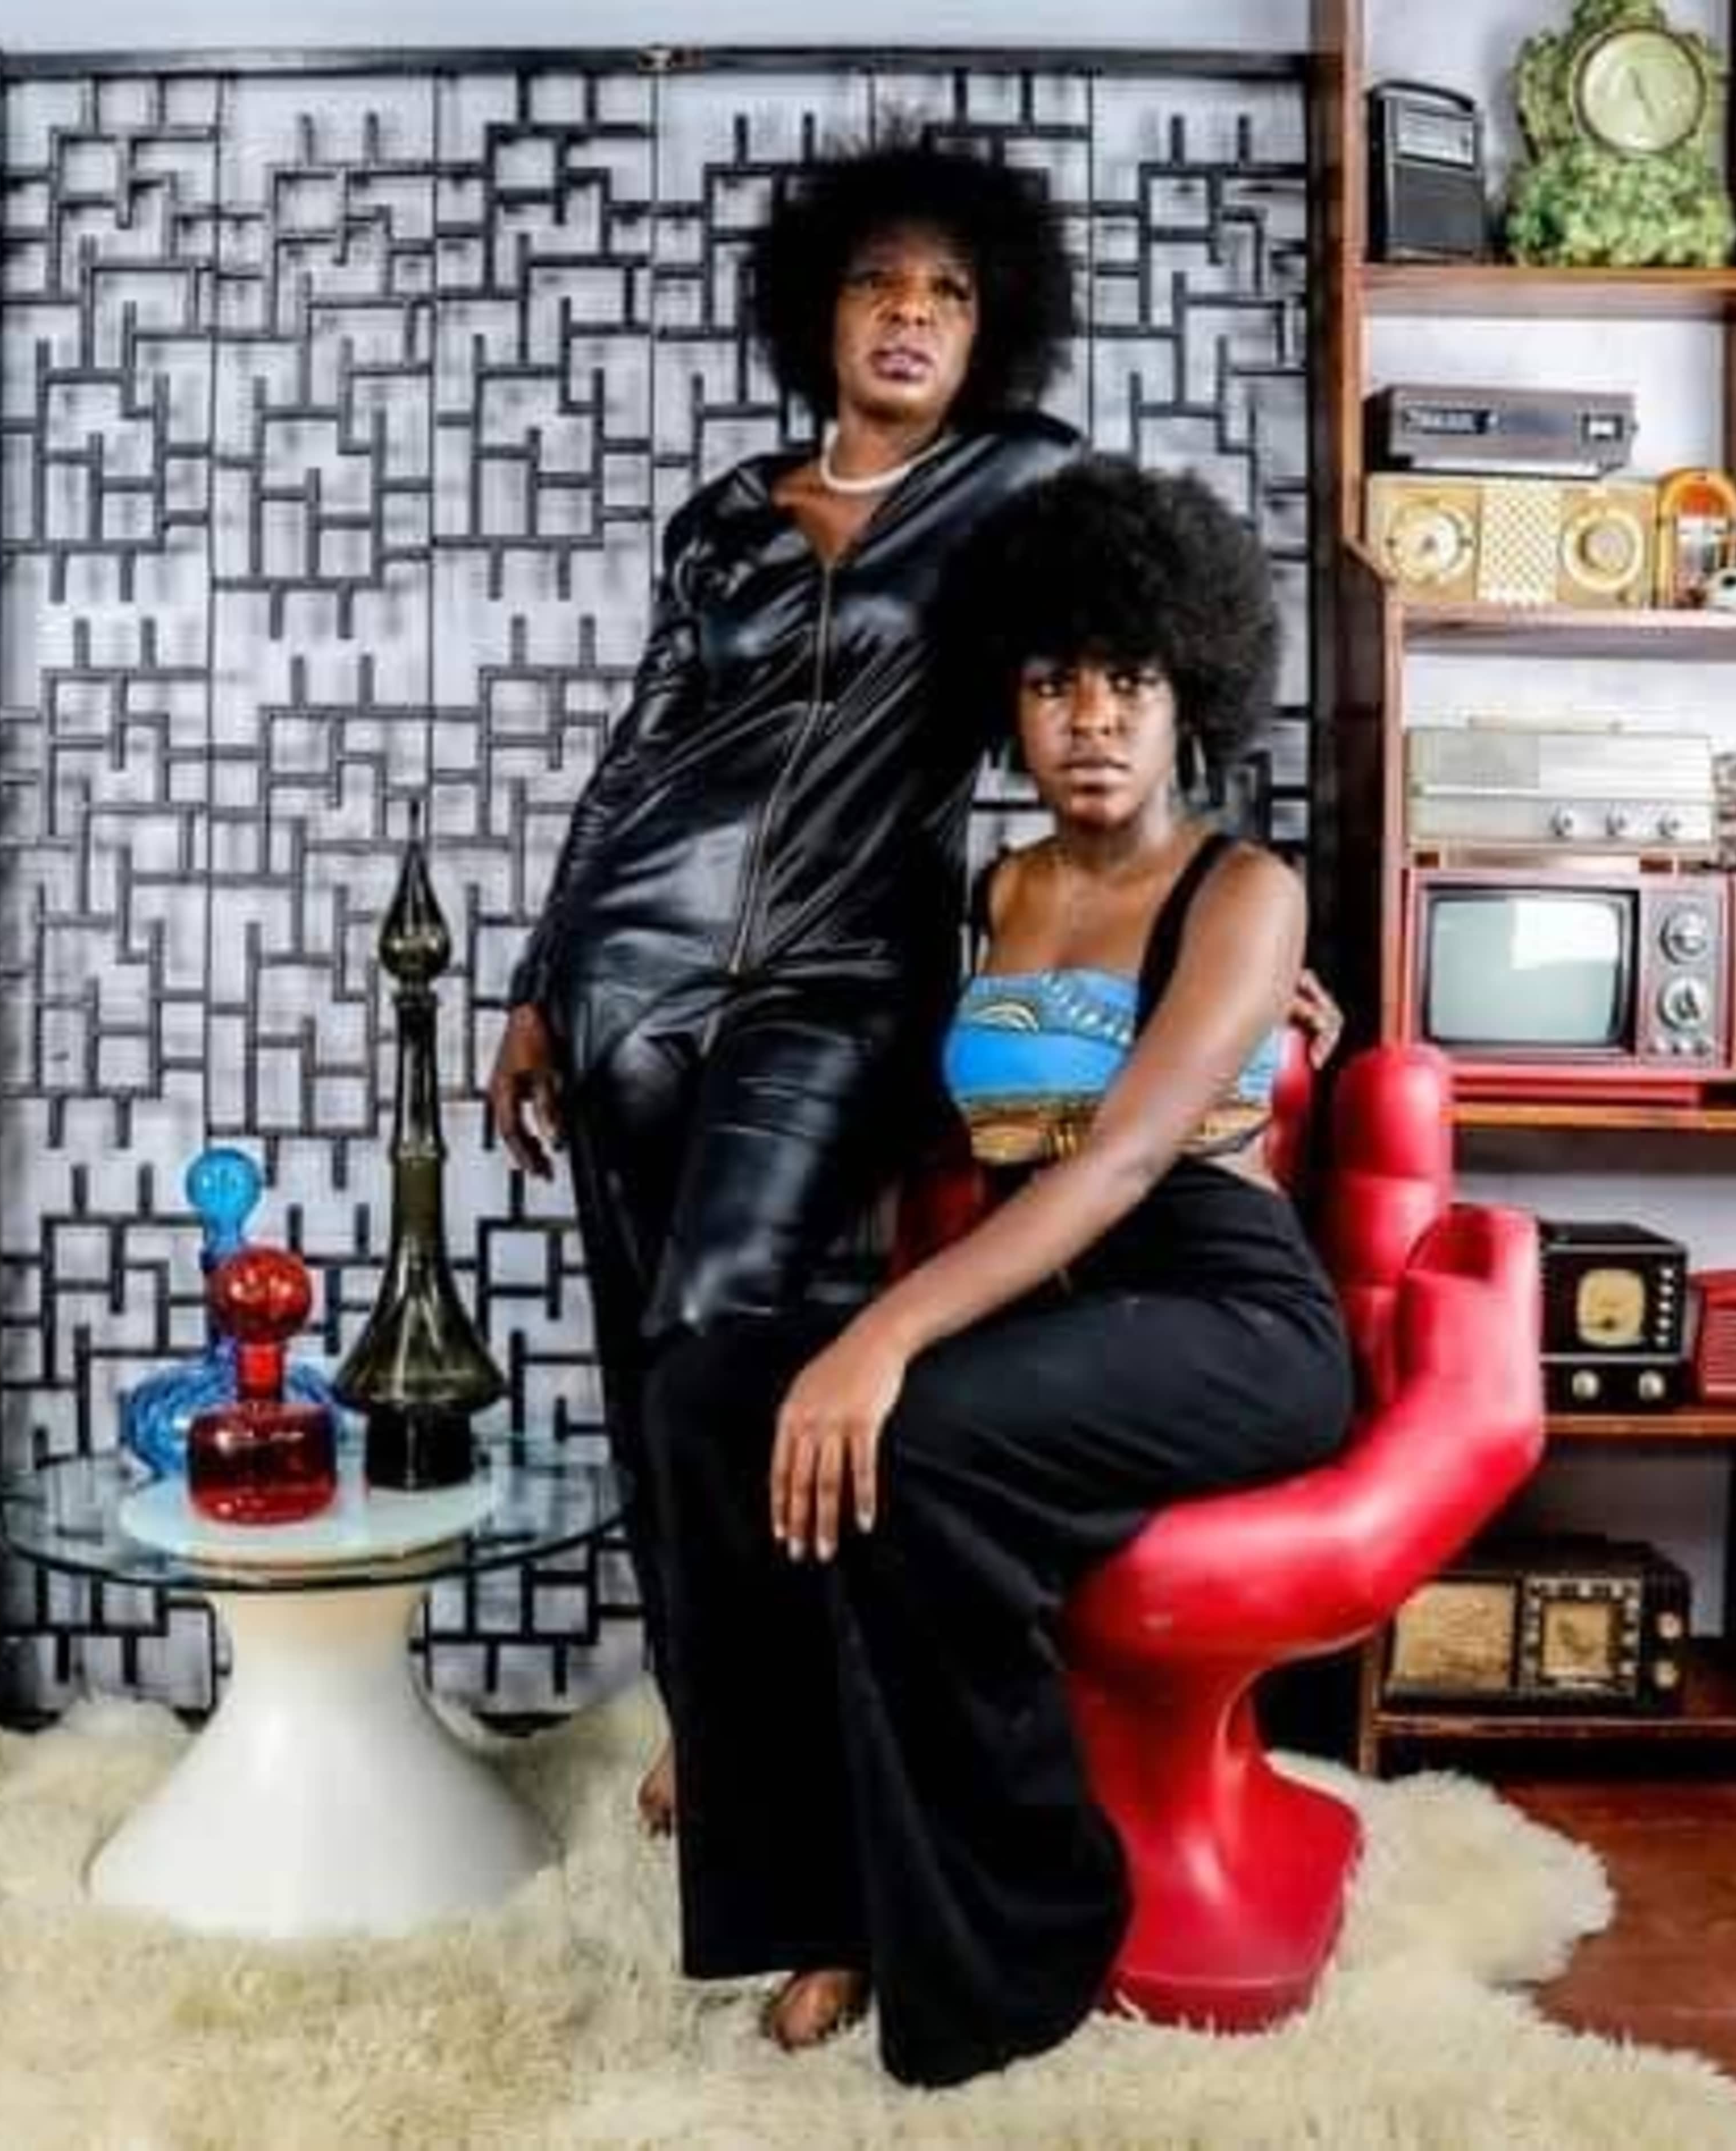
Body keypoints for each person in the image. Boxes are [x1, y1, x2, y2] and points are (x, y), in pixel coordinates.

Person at [640, 456, 1356, 2087]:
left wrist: (880, 1340)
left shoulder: (1246, 892)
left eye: (1127, 680)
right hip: (1049, 1299)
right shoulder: (994, 892)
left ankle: (1011, 1931)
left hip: (1222, 1306)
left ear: (1192, 697)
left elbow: (1112, 1163)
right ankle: (820, 1895)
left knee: (919, 1430)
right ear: (1009, 709)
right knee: (704, 1393)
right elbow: (914, 1109)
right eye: (1051, 685)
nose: (1091, 717)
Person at [488, 137, 1084, 1830]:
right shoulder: (727, 518)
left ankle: (789, 1747)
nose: (909, 314)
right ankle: (708, 1710)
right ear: (815, 312)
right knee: (645, 1373)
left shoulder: (1024, 486)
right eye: (876, 283)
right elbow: (638, 756)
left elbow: (1124, 690)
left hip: (839, 989)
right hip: (632, 979)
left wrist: (1213, 927)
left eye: (949, 292)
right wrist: (543, 983)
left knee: (716, 1342)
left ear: (991, 330)